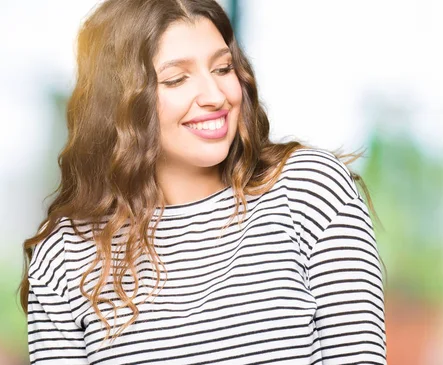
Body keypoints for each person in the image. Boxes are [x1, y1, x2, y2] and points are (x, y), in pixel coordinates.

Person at [20, 0, 386, 364]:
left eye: (223, 68)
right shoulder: (66, 256)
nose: (216, 97)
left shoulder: (308, 192)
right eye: (176, 78)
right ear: (117, 104)